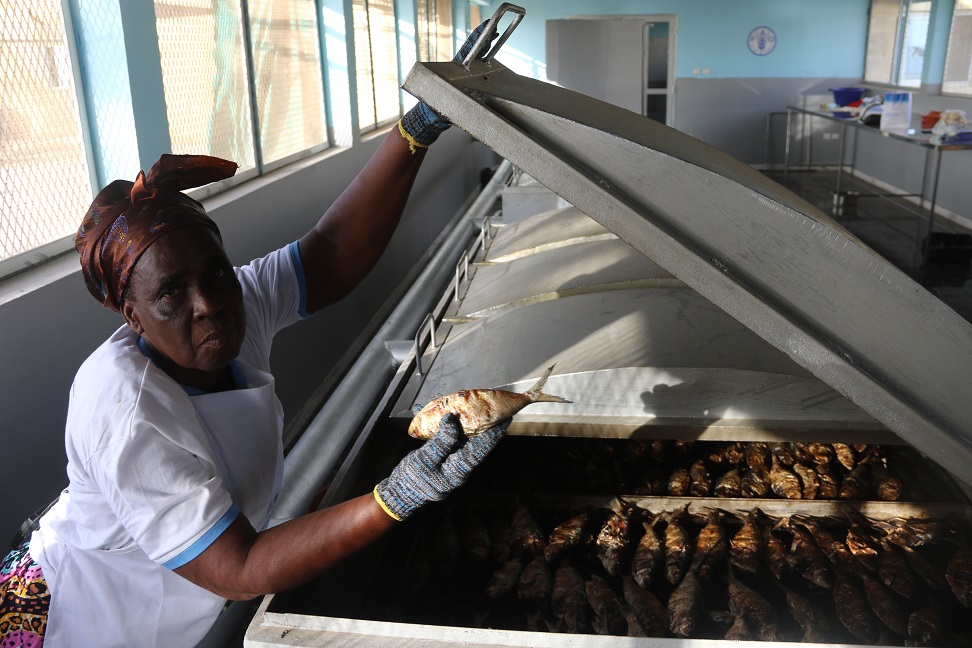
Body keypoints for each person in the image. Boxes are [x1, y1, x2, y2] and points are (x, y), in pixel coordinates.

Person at [0, 22, 503, 648]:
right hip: (81, 613)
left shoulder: (230, 301)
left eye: (214, 270)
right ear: (131, 316)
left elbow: (330, 252)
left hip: (175, 603)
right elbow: (239, 569)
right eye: (170, 293)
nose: (209, 303)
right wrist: (397, 494)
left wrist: (418, 128)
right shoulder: (123, 410)